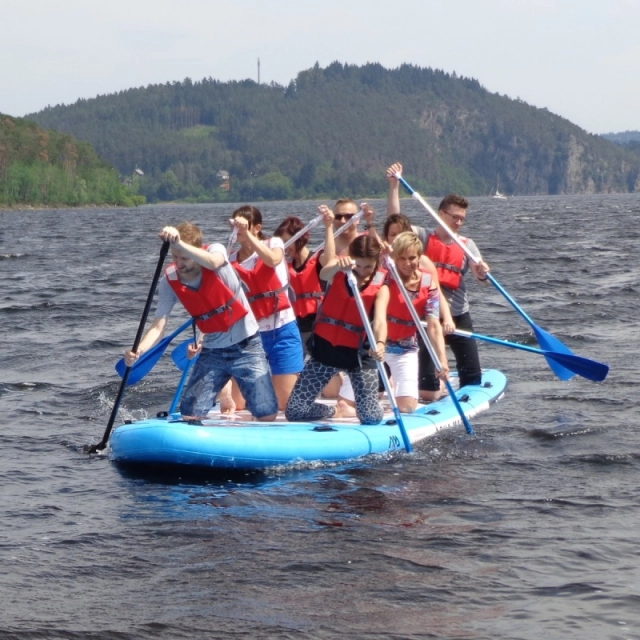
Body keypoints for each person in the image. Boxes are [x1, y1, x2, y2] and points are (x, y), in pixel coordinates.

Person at [124, 222, 278, 422]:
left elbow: (213, 262)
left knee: (267, 415)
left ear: (196, 251)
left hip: (247, 345)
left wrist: (180, 243)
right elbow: (158, 326)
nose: (179, 264)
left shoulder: (215, 251)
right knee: (190, 415)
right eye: (175, 257)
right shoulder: (170, 280)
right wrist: (138, 351)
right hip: (213, 351)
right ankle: (224, 398)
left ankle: (234, 399)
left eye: (185, 258)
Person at [386, 163, 490, 391]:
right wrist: (394, 186)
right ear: (440, 214)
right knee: (428, 388)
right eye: (454, 217)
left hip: (458, 315)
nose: (458, 222)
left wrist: (482, 273)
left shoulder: (467, 245)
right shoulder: (421, 236)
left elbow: (480, 278)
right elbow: (395, 221)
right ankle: (429, 389)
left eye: (462, 218)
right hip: (427, 318)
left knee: (472, 376)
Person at [285, 231, 389, 426]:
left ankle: (376, 404)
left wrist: (381, 343)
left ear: (377, 261)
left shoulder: (381, 287)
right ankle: (334, 410)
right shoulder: (339, 271)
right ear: (351, 258)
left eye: (369, 266)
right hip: (326, 351)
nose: (363, 270)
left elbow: (381, 321)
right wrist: (337, 265)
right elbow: (324, 273)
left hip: (358, 356)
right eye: (358, 265)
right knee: (295, 411)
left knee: (369, 416)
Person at [338, 232, 449, 413]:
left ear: (419, 257)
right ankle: (368, 411)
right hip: (372, 347)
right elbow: (363, 285)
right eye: (402, 258)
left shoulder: (428, 283)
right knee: (344, 406)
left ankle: (381, 411)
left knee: (407, 408)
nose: (407, 264)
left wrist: (442, 361)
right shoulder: (384, 276)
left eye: (412, 258)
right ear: (395, 258)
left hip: (405, 349)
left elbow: (434, 325)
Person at [229, 205, 304, 411]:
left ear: (257, 228)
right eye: (235, 227)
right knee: (239, 404)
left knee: (284, 403)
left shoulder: (274, 243)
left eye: (244, 226)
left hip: (282, 330)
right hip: (252, 334)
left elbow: (272, 260)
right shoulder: (231, 260)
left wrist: (248, 236)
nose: (238, 231)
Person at [273, 206, 334, 352]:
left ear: (300, 239)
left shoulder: (318, 259)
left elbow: (330, 260)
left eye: (287, 242)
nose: (284, 248)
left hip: (318, 324)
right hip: (295, 325)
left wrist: (329, 226)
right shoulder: (284, 266)